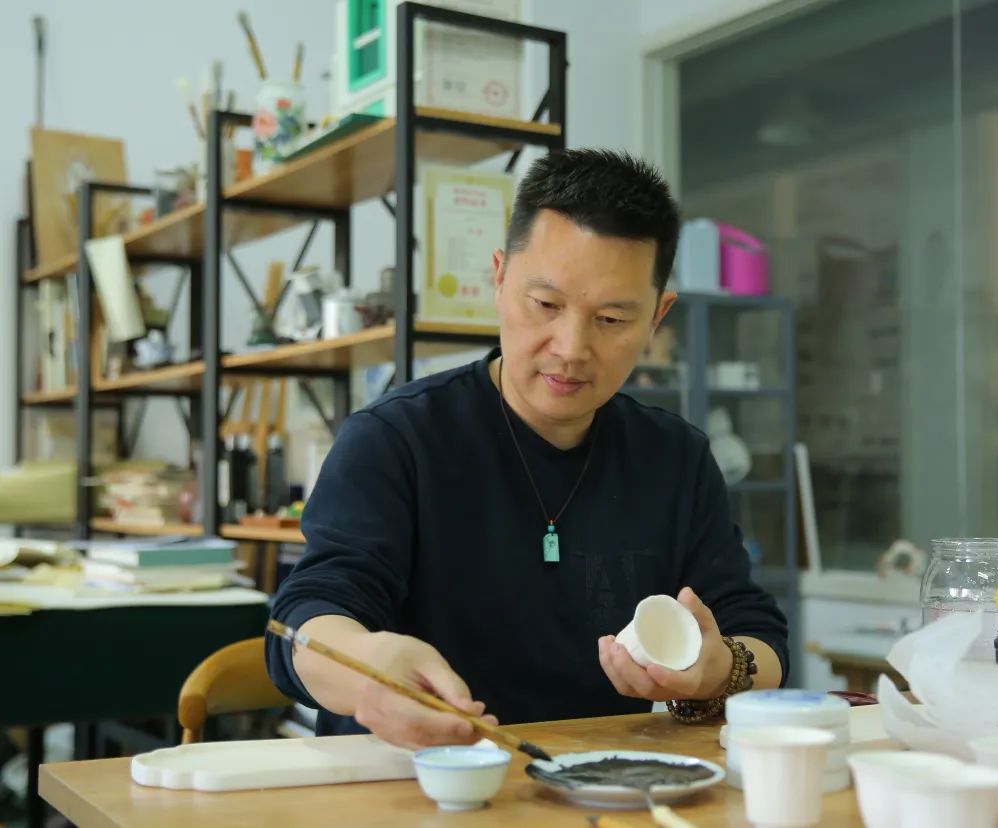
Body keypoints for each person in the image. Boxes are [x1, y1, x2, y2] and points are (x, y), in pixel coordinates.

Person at [266, 149, 789, 749]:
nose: (571, 348)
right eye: (545, 305)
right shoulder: (395, 440)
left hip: (609, 780)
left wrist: (718, 669)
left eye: (611, 319)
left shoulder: (675, 459)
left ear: (657, 317)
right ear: (499, 278)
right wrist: (367, 669)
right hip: (421, 778)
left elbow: (761, 637)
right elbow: (304, 623)